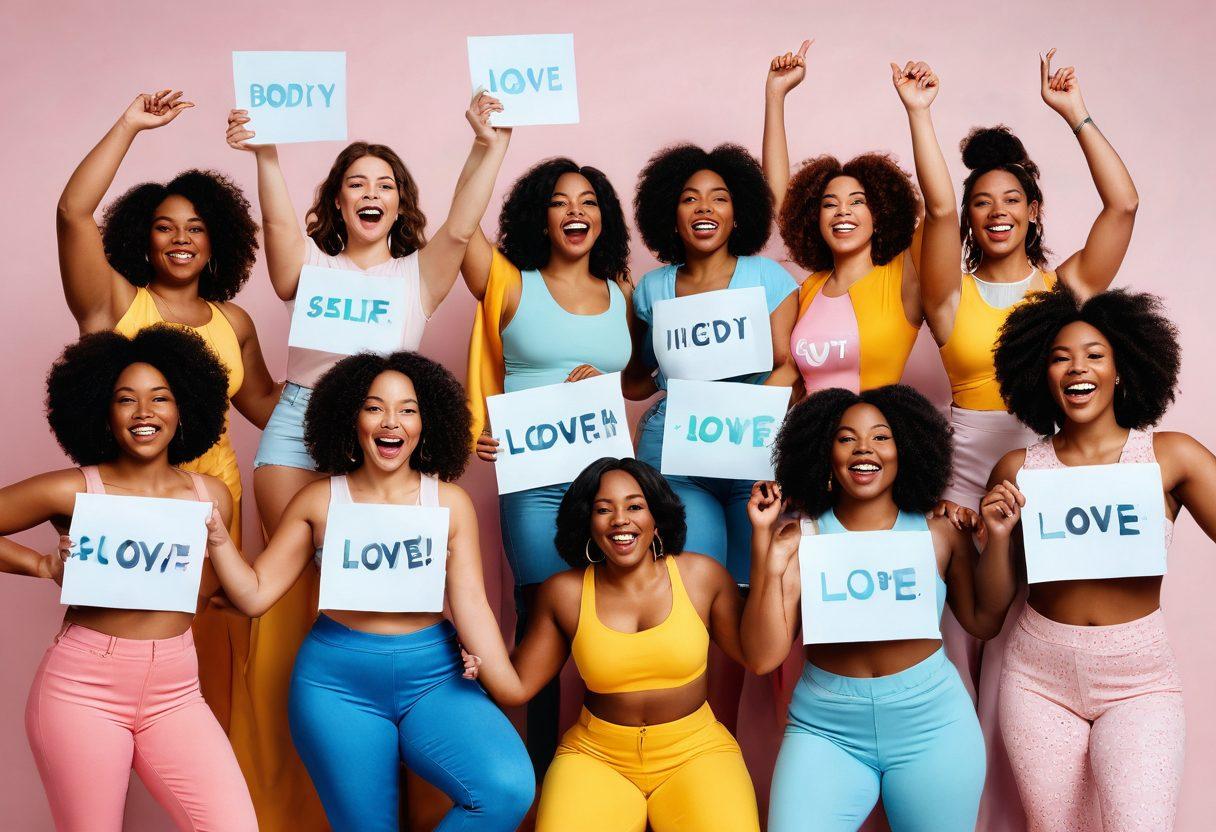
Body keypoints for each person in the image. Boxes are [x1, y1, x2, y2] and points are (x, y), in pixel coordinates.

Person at [225, 91, 514, 829]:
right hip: (298, 427)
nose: (371, 193)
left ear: (400, 203)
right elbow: (281, 224)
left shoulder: (419, 276)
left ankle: (411, 732)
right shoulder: (309, 269)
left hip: (388, 435)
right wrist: (264, 152)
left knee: (396, 586)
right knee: (306, 596)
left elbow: (460, 222)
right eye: (357, 182)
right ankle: (320, 765)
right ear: (339, 201)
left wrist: (490, 147)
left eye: (385, 184)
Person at [899, 53, 1139, 831]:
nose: (995, 211)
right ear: (970, 220)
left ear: (1034, 210)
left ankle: (1018, 818)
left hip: (1046, 482)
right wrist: (919, 114)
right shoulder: (947, 293)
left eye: (1012, 199)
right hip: (958, 485)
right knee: (947, 660)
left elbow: (1124, 205)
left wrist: (1075, 112)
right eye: (982, 203)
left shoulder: (1064, 289)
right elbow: (933, 209)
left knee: (1020, 666)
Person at [203, 350, 534, 832]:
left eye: (408, 409)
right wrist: (216, 540)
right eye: (374, 407)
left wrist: (506, 683)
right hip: (336, 684)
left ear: (428, 423)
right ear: (351, 418)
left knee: (506, 788)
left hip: (435, 676)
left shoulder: (449, 503)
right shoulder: (318, 500)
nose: (391, 421)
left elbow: (472, 603)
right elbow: (254, 595)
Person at [54, 90, 280, 768]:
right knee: (113, 645)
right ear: (141, 239)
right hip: (126, 496)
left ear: (218, 242)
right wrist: (128, 125)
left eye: (196, 227)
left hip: (214, 497)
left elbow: (268, 404)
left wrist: (361, 387)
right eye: (164, 225)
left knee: (205, 656)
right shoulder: (116, 300)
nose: (181, 237)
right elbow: (72, 212)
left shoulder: (233, 322)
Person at [0, 326, 256, 831]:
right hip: (82, 687)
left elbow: (217, 588)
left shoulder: (211, 497)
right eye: (126, 400)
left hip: (177, 689)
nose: (145, 412)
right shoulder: (76, 489)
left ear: (184, 408)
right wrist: (41, 566)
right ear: (103, 411)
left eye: (160, 398)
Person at [978, 285, 1212, 832]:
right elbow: (989, 614)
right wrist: (994, 531)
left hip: (1139, 679)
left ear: (1123, 369)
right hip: (1038, 678)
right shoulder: (1017, 469)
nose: (1076, 368)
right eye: (1060, 357)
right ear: (1041, 375)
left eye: (1094, 355)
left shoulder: (1168, 456)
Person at [745, 385, 1003, 831]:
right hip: (825, 730)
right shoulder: (798, 540)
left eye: (881, 437)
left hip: (933, 726)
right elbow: (762, 657)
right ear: (825, 454)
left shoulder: (940, 534)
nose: (864, 448)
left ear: (906, 450)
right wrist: (765, 551)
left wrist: (997, 539)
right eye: (846, 438)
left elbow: (983, 621)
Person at [468, 457, 760, 832]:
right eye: (603, 509)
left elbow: (756, 655)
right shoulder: (564, 593)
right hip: (596, 756)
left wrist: (766, 543)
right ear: (588, 523)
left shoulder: (701, 576)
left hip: (697, 751)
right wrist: (478, 655)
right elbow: (517, 686)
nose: (620, 519)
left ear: (656, 518)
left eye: (635, 506)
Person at [464, 154, 633, 774]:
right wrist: (487, 146)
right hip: (533, 486)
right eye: (560, 201)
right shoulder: (511, 282)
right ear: (539, 216)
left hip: (608, 493)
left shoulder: (623, 292)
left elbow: (640, 380)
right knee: (541, 629)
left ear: (603, 217)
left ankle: (602, 771)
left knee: (607, 623)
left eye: (588, 200)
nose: (575, 211)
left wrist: (604, 384)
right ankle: (530, 779)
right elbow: (458, 231)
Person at [763, 41, 923, 400]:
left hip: (871, 446)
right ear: (813, 218)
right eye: (829, 204)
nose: (843, 212)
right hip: (810, 443)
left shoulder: (902, 277)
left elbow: (939, 210)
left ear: (880, 214)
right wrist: (775, 96)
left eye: (858, 202)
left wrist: (918, 111)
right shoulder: (808, 290)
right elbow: (777, 201)